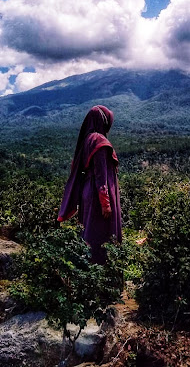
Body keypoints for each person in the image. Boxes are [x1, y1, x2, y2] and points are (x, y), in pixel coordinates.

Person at [58, 105, 122, 264]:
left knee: (89, 230)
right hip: (97, 194)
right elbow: (101, 173)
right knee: (100, 233)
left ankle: (86, 267)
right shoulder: (99, 140)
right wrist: (105, 202)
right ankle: (101, 270)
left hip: (88, 191)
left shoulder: (87, 139)